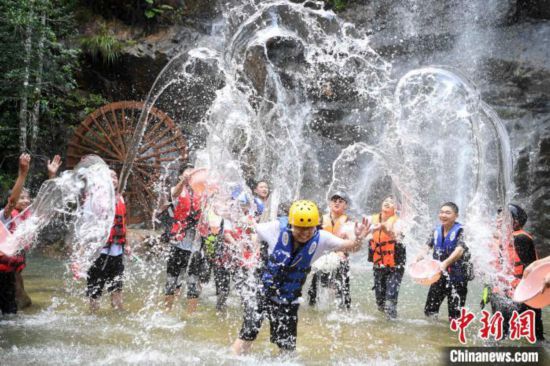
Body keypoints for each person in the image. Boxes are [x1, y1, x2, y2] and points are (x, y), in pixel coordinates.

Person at [231, 200, 370, 355]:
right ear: (291, 224)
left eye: (309, 228)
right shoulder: (276, 228)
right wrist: (235, 216)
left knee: (287, 349)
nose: (304, 233)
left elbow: (351, 247)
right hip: (263, 292)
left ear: (316, 226)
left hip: (289, 300)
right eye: (300, 228)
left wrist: (359, 239)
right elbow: (248, 228)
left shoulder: (322, 239)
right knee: (247, 335)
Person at [490, 204, 544, 341]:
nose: (498, 220)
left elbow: (531, 269)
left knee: (533, 337)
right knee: (501, 334)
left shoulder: (521, 239)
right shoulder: (504, 239)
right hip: (506, 291)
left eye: (504, 217)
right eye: (498, 217)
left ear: (516, 221)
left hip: (521, 293)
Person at [416, 202, 472, 321]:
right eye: (441, 212)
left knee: (455, 317)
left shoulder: (462, 231)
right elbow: (426, 247)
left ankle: (452, 338)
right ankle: (433, 336)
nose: (443, 215)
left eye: (448, 213)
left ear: (456, 216)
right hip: (439, 276)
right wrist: (417, 259)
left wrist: (445, 263)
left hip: (458, 278)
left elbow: (460, 250)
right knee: (429, 311)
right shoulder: (436, 230)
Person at [86, 170, 129, 312]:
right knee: (95, 290)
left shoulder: (120, 198)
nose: (114, 179)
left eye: (115, 176)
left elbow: (123, 223)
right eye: (109, 176)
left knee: (117, 287)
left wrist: (126, 245)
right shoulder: (96, 198)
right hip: (99, 252)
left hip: (117, 252)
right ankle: (93, 319)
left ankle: (119, 317)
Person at [163, 166, 203, 311]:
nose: (191, 175)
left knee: (193, 282)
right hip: (178, 244)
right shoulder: (178, 190)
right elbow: (174, 193)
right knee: (171, 280)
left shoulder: (202, 193)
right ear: (181, 176)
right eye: (188, 174)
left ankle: (190, 315)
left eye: (193, 174)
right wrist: (184, 182)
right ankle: (167, 311)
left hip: (196, 246)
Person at [308, 191, 352, 309]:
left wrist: (342, 251)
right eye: (334, 200)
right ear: (329, 203)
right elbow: (312, 238)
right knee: (314, 290)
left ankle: (343, 312)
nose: (337, 203)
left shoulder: (348, 221)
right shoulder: (321, 219)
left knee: (343, 292)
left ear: (345, 205)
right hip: (322, 258)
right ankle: (312, 311)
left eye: (340, 201)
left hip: (340, 258)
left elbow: (351, 242)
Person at [0, 153, 31, 315]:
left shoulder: (2, 217)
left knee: (10, 313)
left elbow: (12, 201)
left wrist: (22, 174)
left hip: (4, 274)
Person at [367, 196, 406, 319]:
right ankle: (383, 326)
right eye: (386, 201)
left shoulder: (399, 222)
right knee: (380, 302)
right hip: (379, 265)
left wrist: (384, 228)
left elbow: (395, 236)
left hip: (395, 266)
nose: (388, 203)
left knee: (390, 299)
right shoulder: (371, 219)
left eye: (392, 203)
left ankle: (392, 325)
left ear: (396, 208)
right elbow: (360, 234)